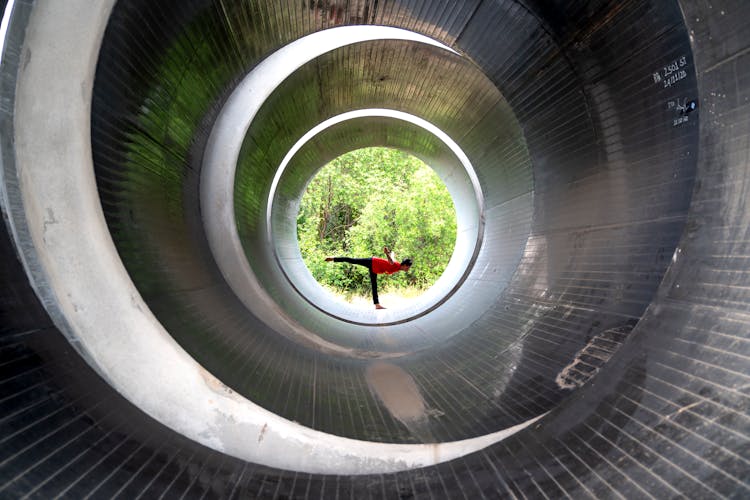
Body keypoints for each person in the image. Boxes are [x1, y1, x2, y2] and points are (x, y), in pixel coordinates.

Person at [325, 246, 412, 309]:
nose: (408, 269)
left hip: (375, 269)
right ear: (404, 265)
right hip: (372, 262)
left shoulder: (398, 267)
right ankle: (334, 259)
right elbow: (391, 261)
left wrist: (390, 253)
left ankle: (377, 304)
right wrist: (387, 254)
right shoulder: (396, 265)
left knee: (374, 285)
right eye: (408, 267)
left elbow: (392, 258)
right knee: (353, 260)